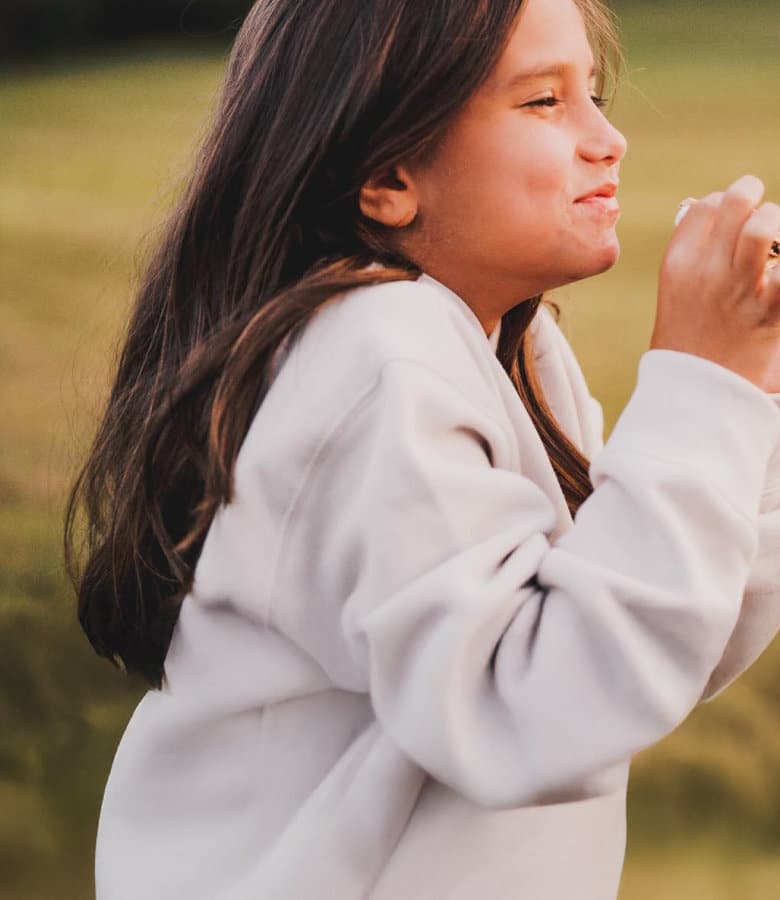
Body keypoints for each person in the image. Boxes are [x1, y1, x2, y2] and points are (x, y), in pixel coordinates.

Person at [64, 0, 780, 897]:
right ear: (388, 174)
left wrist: (752, 399)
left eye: (592, 92)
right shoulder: (376, 356)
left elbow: (655, 640)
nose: (609, 139)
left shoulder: (508, 350)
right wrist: (700, 384)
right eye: (542, 102)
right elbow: (530, 707)